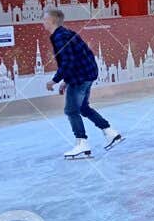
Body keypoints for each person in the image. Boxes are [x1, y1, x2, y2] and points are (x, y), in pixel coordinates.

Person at [43, 9, 122, 158]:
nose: (43, 22)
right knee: (84, 108)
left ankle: (82, 144)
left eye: (45, 19)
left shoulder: (59, 37)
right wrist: (66, 81)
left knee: (72, 111)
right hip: (87, 74)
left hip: (80, 77)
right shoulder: (67, 33)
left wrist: (54, 80)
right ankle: (111, 132)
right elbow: (77, 58)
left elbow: (68, 61)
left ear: (52, 20)